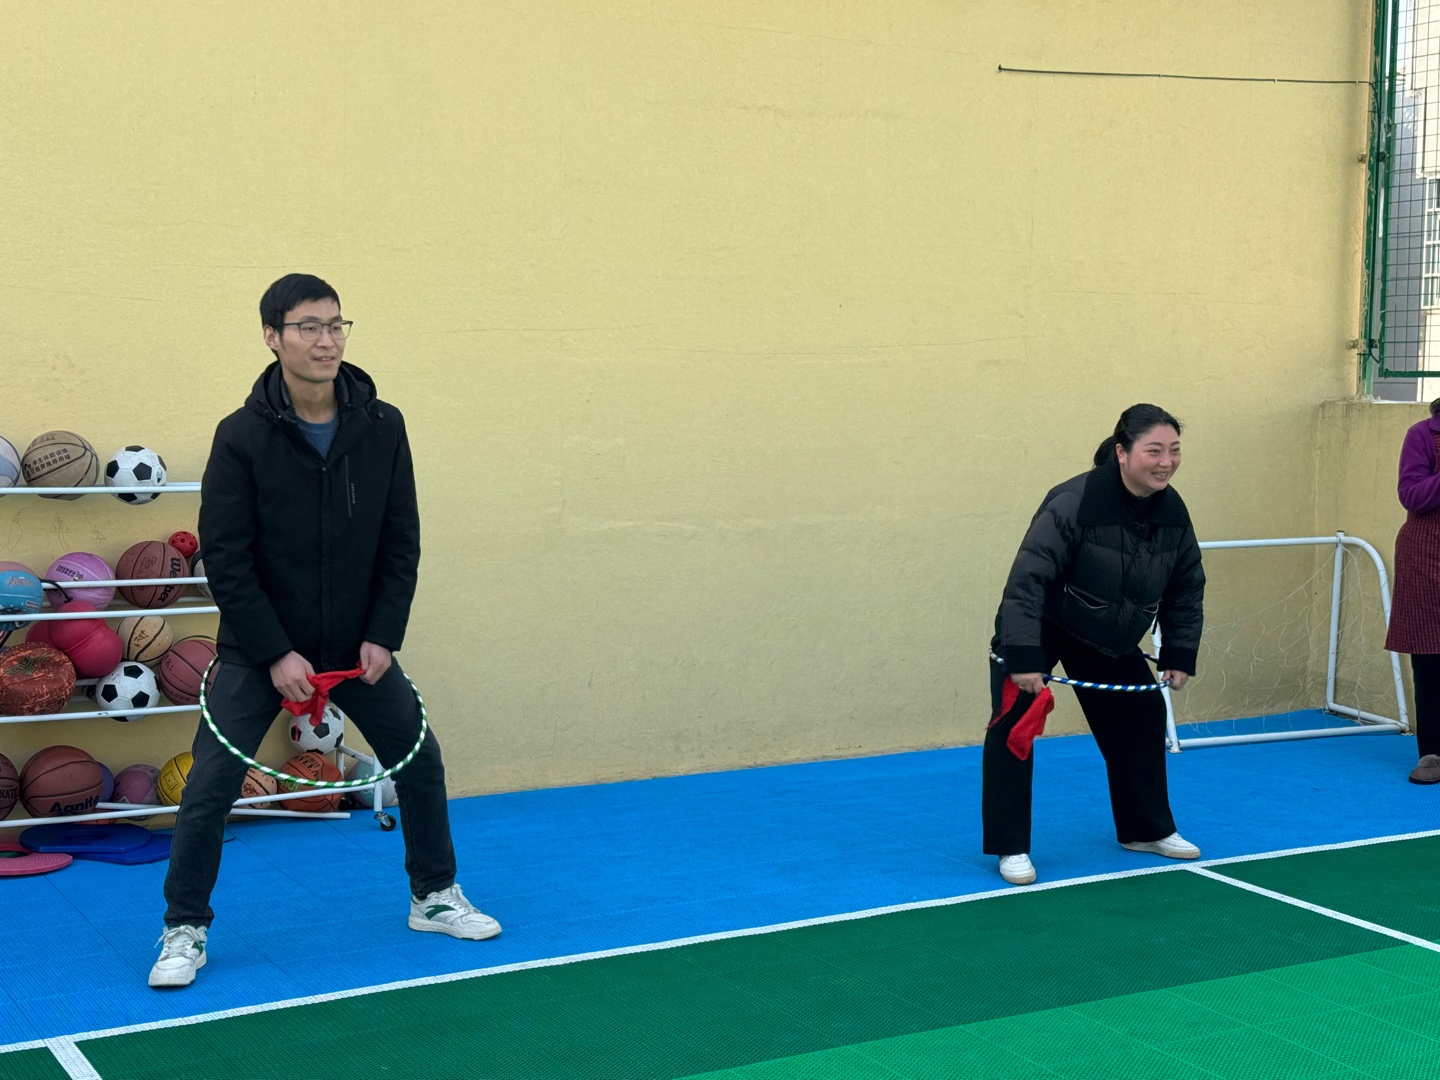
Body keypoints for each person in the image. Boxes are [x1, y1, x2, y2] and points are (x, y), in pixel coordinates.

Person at [150, 274, 500, 989]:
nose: (326, 340)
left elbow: (400, 540)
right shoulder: (241, 436)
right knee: (211, 784)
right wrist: (275, 653)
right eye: (308, 326)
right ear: (272, 337)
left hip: (357, 647)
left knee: (420, 760)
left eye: (336, 325)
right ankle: (185, 926)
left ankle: (434, 896)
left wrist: (383, 634)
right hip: (260, 652)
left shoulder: (382, 425)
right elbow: (227, 558)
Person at [984, 403, 1205, 885]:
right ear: (1122, 452)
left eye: (1174, 450)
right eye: (1154, 450)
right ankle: (1010, 846)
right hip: (1042, 624)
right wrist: (1024, 656)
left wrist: (1179, 653)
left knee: (1142, 717)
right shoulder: (1072, 502)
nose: (1166, 461)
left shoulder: (1172, 510)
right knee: (1016, 728)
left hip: (1105, 632)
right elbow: (1027, 581)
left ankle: (1145, 831)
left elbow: (1186, 585)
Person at [1384, 399, 1440, 785]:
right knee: (1430, 659)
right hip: (1427, 557)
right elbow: (1413, 496)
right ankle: (1432, 754)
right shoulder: (1422, 435)